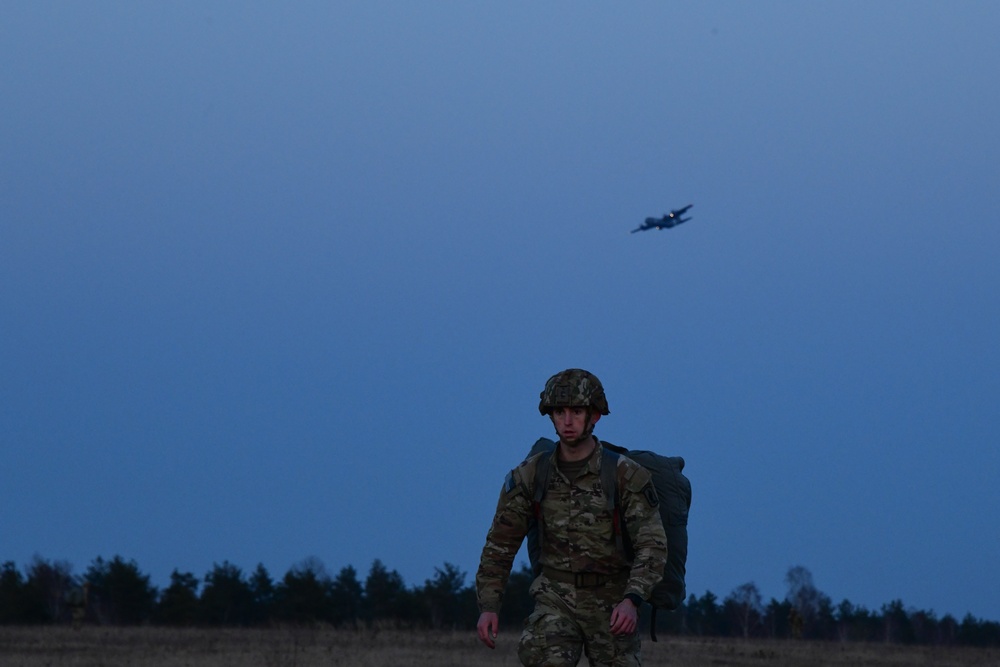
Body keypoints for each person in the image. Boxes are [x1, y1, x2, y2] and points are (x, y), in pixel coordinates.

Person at [475, 369, 668, 666]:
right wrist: (489, 605)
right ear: (550, 416)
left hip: (612, 601)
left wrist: (632, 599)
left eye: (577, 411)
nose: (567, 421)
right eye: (560, 412)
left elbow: (652, 545)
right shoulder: (530, 475)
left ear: (595, 415)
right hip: (555, 597)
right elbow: (501, 544)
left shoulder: (625, 475)